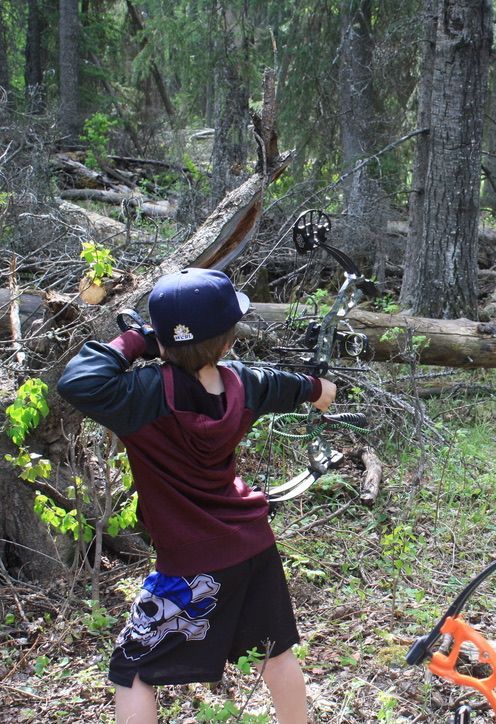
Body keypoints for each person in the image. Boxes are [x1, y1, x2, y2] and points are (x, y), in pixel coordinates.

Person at [58, 268, 335, 724]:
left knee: (132, 671)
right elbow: (308, 388)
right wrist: (321, 390)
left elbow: (80, 381)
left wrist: (135, 342)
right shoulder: (247, 383)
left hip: (190, 562)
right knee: (275, 654)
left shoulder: (140, 395)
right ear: (227, 342)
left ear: (163, 343)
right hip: (252, 544)